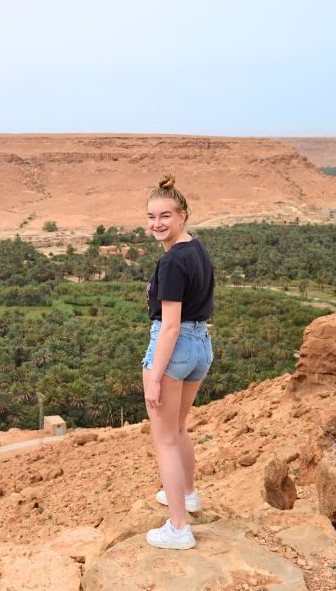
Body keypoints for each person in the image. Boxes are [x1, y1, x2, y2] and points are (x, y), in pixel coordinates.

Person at [142, 174, 214, 550]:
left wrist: (155, 376)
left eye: (165, 215)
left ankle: (179, 527)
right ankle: (188, 495)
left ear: (183, 214)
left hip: (174, 348)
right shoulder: (195, 249)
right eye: (152, 216)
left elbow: (170, 326)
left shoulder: (171, 262)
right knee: (179, 428)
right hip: (201, 345)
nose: (157, 224)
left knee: (165, 440)